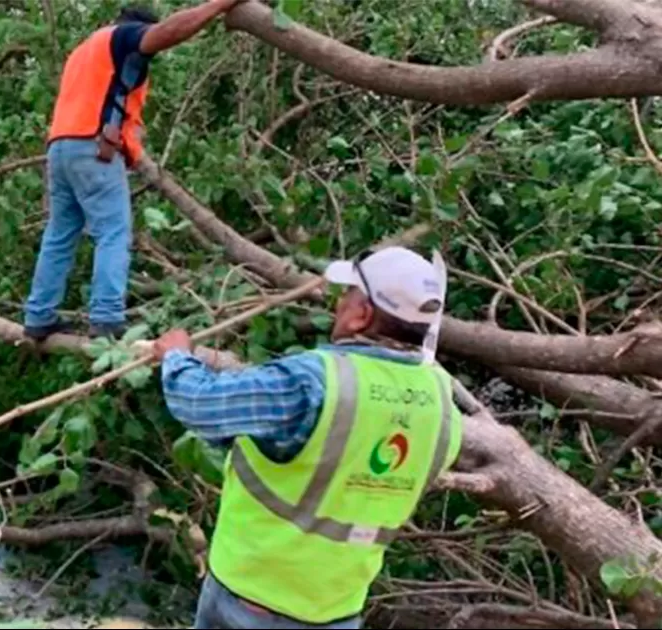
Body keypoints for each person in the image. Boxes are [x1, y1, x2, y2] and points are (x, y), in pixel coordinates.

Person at [152, 246, 464, 629]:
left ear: (362, 315)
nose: (338, 305)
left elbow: (199, 404)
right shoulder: (443, 406)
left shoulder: (314, 382)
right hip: (337, 611)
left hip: (250, 601)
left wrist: (177, 356)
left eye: (346, 297)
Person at [23, 0, 247, 342]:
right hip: (93, 149)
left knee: (60, 233)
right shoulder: (124, 37)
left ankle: (38, 316)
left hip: (60, 149)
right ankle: (107, 318)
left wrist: (133, 152)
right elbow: (168, 32)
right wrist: (218, 6)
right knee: (113, 232)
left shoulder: (85, 52)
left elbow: (115, 106)